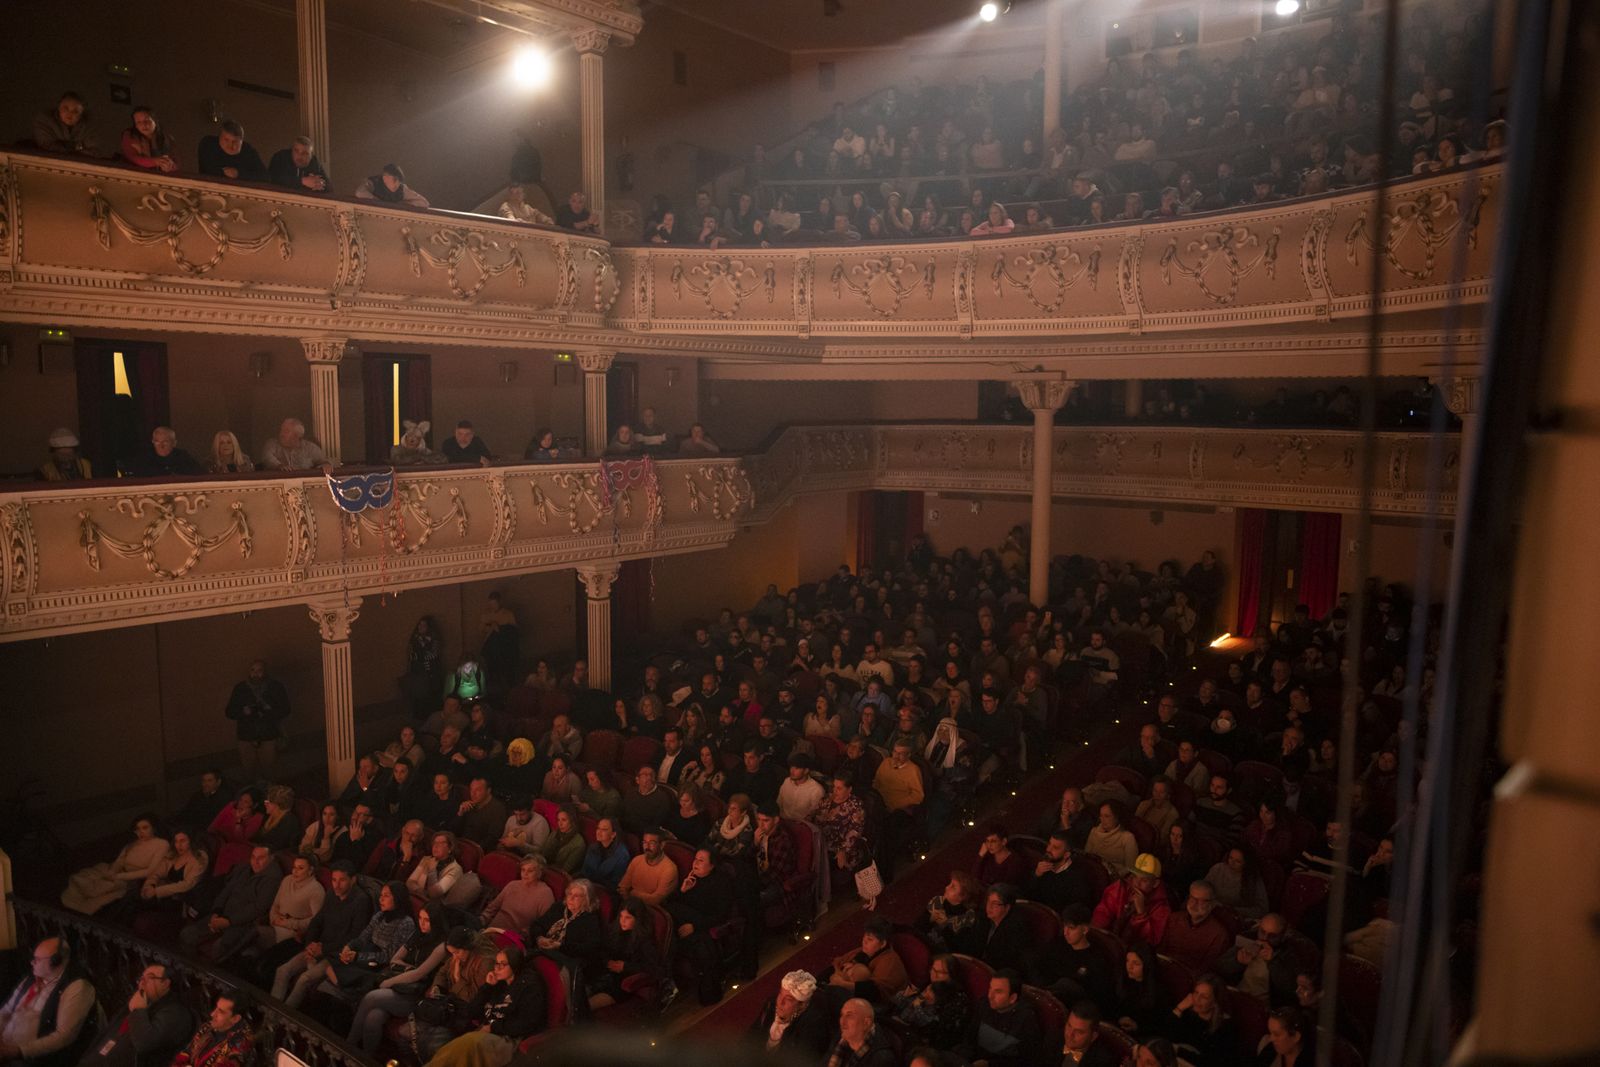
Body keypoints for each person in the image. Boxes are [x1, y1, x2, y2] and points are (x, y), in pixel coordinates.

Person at [346, 902, 450, 1051]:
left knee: (371, 997)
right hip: (400, 985)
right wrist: (408, 969)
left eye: (427, 920)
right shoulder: (417, 934)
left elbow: (419, 973)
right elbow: (395, 959)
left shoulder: (441, 946)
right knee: (373, 1017)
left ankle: (348, 1045)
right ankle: (365, 1058)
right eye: (420, 918)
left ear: (436, 921)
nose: (422, 923)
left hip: (415, 994)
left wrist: (389, 981)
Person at [269, 861, 374, 1007]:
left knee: (304, 979)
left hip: (335, 954)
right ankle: (271, 1014)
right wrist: (310, 945)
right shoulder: (332, 893)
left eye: (342, 880)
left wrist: (323, 949)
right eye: (333, 880)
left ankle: (282, 1019)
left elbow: (354, 937)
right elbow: (317, 921)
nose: (336, 885)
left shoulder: (361, 901)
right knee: (282, 970)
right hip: (318, 947)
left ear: (353, 879)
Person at [0, 937, 95, 1067]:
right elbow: (6, 1010)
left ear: (55, 962)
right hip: (7, 1047)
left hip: (34, 1058)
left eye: (37, 960)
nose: (32, 963)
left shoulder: (77, 987)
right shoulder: (31, 977)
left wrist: (18, 1051)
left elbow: (64, 1036)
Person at [78, 961, 193, 1067]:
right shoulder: (142, 1000)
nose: (142, 982)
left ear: (166, 983)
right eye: (141, 978)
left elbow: (144, 1043)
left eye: (150, 978)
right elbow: (109, 1033)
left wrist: (138, 1010)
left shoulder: (176, 1013)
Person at [178, 845, 279, 962]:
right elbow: (227, 890)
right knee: (187, 933)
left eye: (261, 858)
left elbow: (258, 908)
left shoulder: (273, 878)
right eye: (253, 857)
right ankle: (189, 969)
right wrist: (217, 911)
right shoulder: (244, 869)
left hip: (242, 923)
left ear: (271, 858)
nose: (255, 862)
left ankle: (208, 977)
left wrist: (228, 921)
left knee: (219, 948)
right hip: (222, 915)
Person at [60, 813, 168, 914]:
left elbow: (149, 870)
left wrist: (120, 876)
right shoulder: (134, 843)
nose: (141, 832)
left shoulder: (161, 844)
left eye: (145, 828)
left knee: (98, 890)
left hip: (128, 879)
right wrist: (113, 871)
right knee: (81, 878)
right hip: (112, 869)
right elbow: (120, 860)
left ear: (153, 828)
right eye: (137, 829)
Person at [324, 882, 417, 1000]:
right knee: (329, 966)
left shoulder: (405, 923)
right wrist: (349, 947)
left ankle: (349, 994)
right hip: (366, 956)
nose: (381, 899)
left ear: (397, 899)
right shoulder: (380, 915)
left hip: (381, 965)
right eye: (381, 895)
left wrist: (358, 956)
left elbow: (389, 956)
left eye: (386, 896)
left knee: (343, 976)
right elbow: (363, 937)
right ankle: (346, 992)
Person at [586, 897, 668, 1011]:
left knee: (584, 1007)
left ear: (637, 919)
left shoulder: (644, 941)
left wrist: (625, 967)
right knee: (576, 996)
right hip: (604, 974)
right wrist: (607, 961)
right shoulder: (615, 930)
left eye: (628, 917)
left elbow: (654, 968)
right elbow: (603, 950)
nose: (622, 921)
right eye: (621, 916)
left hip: (621, 983)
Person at [960, 969, 1043, 1066]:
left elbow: (1028, 1061)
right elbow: (970, 1038)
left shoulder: (1026, 1018)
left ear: (1012, 998)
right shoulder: (984, 1004)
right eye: (990, 988)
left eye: (998, 992)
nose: (990, 996)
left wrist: (990, 1064)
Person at [1093, 852, 1172, 948]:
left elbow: (1151, 941)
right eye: (1135, 877)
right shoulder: (1121, 887)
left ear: (1155, 883)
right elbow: (1103, 912)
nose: (1137, 884)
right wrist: (1097, 937)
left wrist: (1141, 914)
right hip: (1110, 944)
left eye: (1144, 880)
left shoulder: (1161, 907)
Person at [827, 917, 909, 1005]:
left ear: (883, 944)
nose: (864, 942)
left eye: (870, 939)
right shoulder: (866, 952)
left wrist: (842, 984)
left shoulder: (890, 961)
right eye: (864, 937)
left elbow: (877, 991)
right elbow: (841, 962)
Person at [749, 970, 830, 1057]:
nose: (780, 1002)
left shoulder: (812, 1025)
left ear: (802, 1005)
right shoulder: (771, 1004)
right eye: (780, 994)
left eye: (788, 999)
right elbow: (752, 1035)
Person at [1161, 880, 1232, 973]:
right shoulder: (1174, 918)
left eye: (1201, 901)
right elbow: (1161, 949)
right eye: (1192, 898)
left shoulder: (1218, 934)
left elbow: (1208, 969)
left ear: (1212, 904)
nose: (1194, 904)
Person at [169, 995, 253, 1067]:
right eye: (216, 1007)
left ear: (235, 1018)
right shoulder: (208, 1026)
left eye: (221, 1012)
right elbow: (187, 1051)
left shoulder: (240, 1043)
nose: (212, 1014)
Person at [1024, 830, 1097, 911]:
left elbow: (1074, 911)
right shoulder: (1042, 865)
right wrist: (1036, 875)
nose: (1048, 849)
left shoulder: (1077, 879)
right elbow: (1028, 896)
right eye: (1049, 844)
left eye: (1055, 848)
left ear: (1066, 855)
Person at [829, 997, 897, 1066]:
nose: (842, 1022)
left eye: (849, 1016)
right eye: (842, 1015)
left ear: (866, 1023)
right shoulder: (842, 1037)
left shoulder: (881, 1059)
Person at [197, 120, 267, 182]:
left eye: (235, 141)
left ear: (241, 142)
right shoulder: (208, 144)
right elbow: (208, 169)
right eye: (226, 140)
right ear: (219, 137)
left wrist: (238, 174)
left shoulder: (248, 151)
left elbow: (264, 177)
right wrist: (223, 173)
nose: (230, 145)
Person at [119, 105, 178, 172]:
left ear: (155, 121)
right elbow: (132, 157)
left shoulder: (167, 140)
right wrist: (155, 162)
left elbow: (176, 162)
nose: (144, 125)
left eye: (147, 120)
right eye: (139, 122)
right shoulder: (130, 135)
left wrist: (170, 166)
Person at [259, 417, 329, 470]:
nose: (281, 434)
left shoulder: (310, 448)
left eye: (286, 431)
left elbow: (323, 462)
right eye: (281, 430)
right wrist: (280, 466)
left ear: (297, 435)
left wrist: (326, 465)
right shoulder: (272, 444)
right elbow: (267, 458)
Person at [355, 163, 429, 207]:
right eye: (395, 179)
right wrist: (376, 200)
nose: (397, 184)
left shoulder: (401, 189)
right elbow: (360, 192)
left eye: (399, 181)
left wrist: (402, 203)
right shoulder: (373, 182)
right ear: (385, 178)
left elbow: (424, 203)